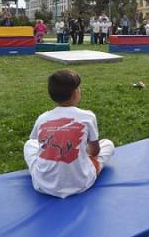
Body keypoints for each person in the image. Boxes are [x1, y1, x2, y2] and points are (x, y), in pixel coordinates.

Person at [23, 69, 115, 199]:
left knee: (29, 144)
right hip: (81, 183)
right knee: (108, 144)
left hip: (43, 185)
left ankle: (48, 170)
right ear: (75, 93)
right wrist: (83, 152)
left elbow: (38, 144)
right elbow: (95, 151)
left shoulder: (42, 118)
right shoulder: (88, 117)